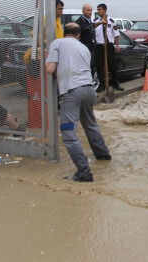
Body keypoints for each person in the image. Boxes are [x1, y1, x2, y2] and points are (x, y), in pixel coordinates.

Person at [45, 23, 110, 183]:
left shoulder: (57, 43)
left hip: (72, 92)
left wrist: (48, 58)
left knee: (68, 133)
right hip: (89, 90)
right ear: (79, 35)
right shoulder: (83, 48)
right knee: (90, 124)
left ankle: (83, 172)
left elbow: (50, 69)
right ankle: (102, 155)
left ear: (64, 33)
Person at [93, 3, 124, 92]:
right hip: (99, 46)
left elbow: (116, 34)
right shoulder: (96, 21)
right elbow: (93, 28)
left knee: (112, 65)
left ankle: (115, 83)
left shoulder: (111, 21)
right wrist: (100, 22)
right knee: (99, 66)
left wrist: (117, 45)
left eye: (100, 9)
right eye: (97, 10)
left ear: (105, 10)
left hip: (109, 46)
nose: (98, 11)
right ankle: (102, 84)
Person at [75, 4, 97, 78]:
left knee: (92, 67)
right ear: (83, 11)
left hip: (91, 48)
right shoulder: (79, 22)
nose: (90, 12)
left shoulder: (90, 21)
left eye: (91, 10)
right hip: (84, 49)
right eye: (88, 10)